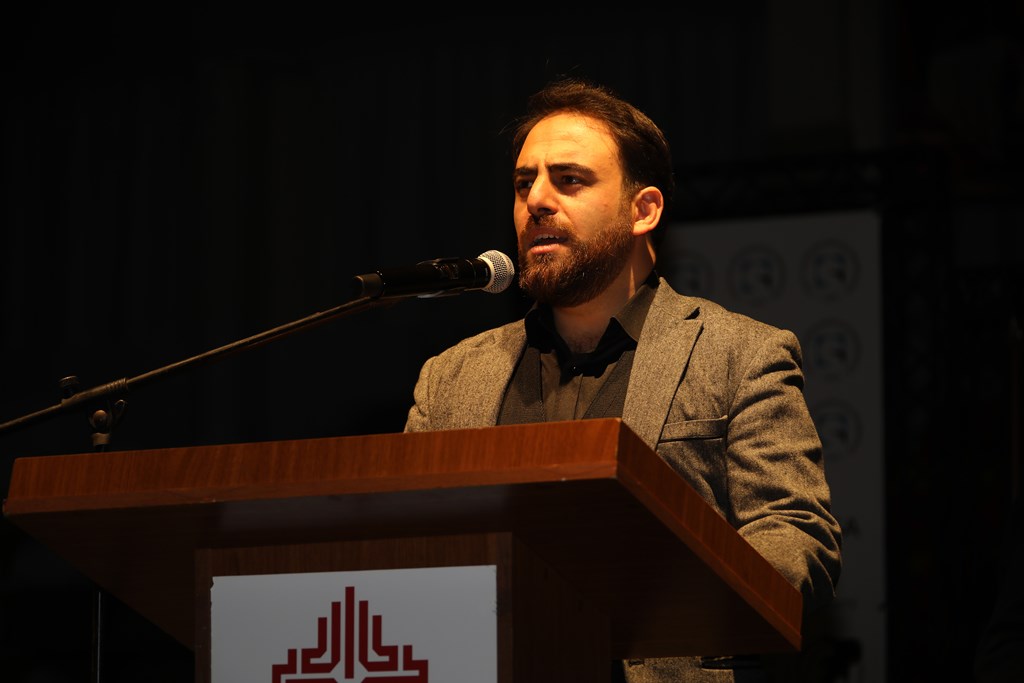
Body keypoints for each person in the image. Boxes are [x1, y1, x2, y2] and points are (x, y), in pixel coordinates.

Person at [403, 77, 843, 682]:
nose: (537, 200)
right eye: (524, 183)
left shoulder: (740, 355)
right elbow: (410, 547)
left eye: (570, 180)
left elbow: (795, 532)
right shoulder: (450, 378)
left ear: (644, 210)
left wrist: (672, 597)